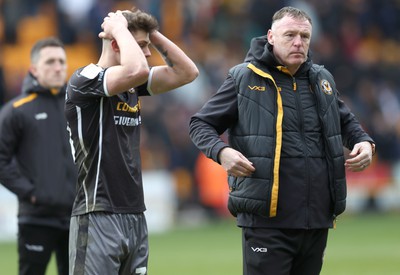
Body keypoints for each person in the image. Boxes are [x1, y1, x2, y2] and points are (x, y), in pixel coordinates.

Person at [189, 6, 375, 275]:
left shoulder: (322, 79)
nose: (299, 42)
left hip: (317, 220)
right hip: (267, 222)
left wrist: (364, 142)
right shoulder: (244, 78)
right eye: (290, 35)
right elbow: (200, 123)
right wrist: (221, 152)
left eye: (305, 36)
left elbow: (347, 122)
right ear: (271, 36)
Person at [65, 8, 198, 275]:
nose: (147, 54)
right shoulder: (84, 80)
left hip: (134, 214)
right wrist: (119, 29)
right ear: (116, 43)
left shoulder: (130, 87)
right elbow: (136, 69)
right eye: (141, 46)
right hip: (97, 213)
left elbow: (187, 72)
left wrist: (152, 34)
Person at [0, 37, 77, 275]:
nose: (58, 67)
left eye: (61, 62)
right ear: (33, 69)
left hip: (77, 217)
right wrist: (30, 193)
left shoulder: (78, 106)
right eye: (50, 62)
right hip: (36, 219)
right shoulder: (17, 110)